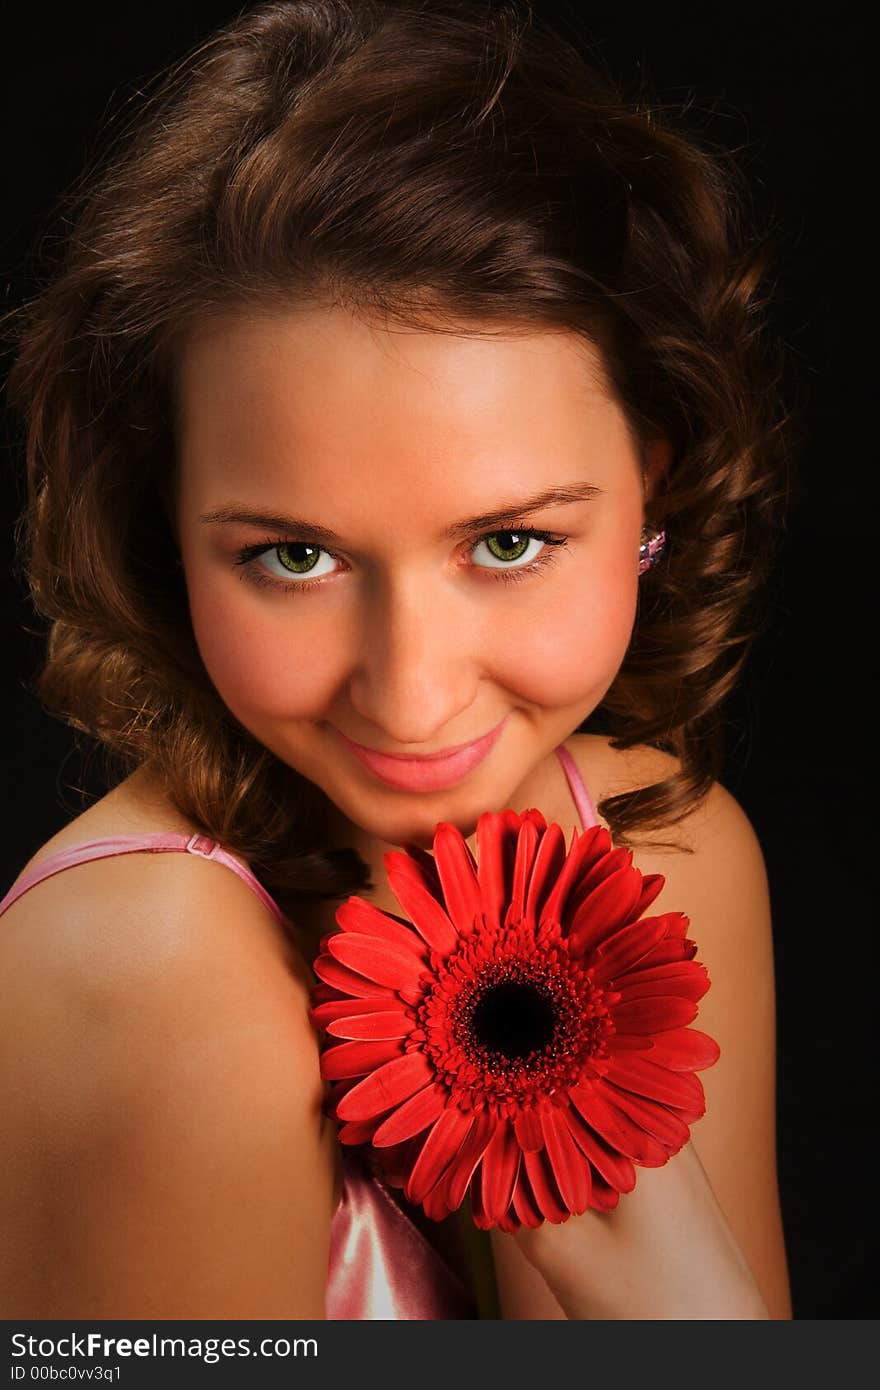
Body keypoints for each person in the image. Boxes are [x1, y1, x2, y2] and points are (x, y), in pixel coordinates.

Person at [0, 0, 794, 1318]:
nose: (413, 694)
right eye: (295, 557)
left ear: (652, 476)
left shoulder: (674, 850)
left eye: (509, 541)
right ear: (164, 522)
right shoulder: (150, 977)